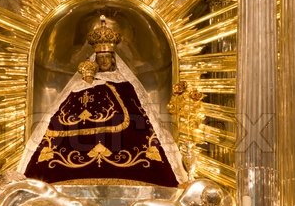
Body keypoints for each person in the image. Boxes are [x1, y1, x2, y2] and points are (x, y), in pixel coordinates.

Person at [19, 15, 185, 187]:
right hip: (75, 144)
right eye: (100, 58)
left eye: (107, 57)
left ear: (113, 59)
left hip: (124, 144)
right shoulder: (80, 86)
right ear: (95, 60)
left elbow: (140, 114)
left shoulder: (126, 86)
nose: (104, 61)